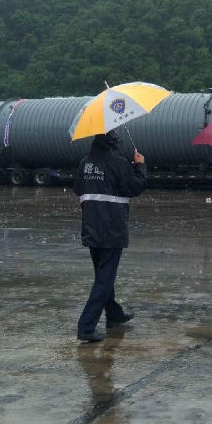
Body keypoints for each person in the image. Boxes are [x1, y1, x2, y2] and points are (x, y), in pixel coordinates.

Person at [73, 130, 147, 342]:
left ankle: (114, 314)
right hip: (112, 229)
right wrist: (140, 166)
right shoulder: (119, 163)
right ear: (113, 144)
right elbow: (136, 187)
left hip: (91, 227)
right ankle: (86, 326)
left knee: (102, 274)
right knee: (104, 279)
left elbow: (78, 189)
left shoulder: (85, 163)